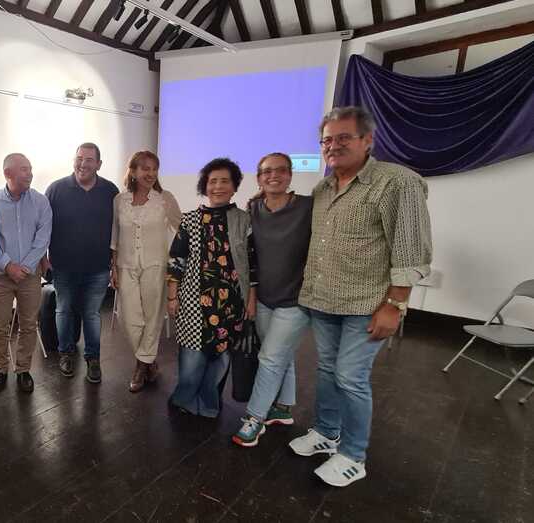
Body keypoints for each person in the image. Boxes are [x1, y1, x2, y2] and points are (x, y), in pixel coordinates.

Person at [289, 106, 432, 487]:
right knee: (326, 370)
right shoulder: (322, 189)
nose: (332, 146)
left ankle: (354, 455)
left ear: (368, 140)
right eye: (327, 140)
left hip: (368, 305)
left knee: (351, 377)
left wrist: (395, 305)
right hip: (324, 300)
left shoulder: (397, 183)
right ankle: (326, 432)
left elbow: (411, 252)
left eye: (343, 138)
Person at [232, 153, 313, 447]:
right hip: (264, 297)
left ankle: (254, 417)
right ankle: (283, 407)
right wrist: (251, 295)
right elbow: (249, 256)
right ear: (259, 178)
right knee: (279, 354)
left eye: (280, 170)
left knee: (269, 358)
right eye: (267, 171)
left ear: (290, 175)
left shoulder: (308, 206)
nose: (273, 176)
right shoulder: (253, 208)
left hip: (296, 299)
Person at [166, 158, 257, 418]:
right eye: (212, 181)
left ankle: (209, 404)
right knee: (192, 360)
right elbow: (176, 260)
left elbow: (252, 264)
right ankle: (183, 399)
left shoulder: (244, 220)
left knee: (220, 360)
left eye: (225, 181)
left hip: (231, 303)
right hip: (194, 301)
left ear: (234, 186)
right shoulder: (190, 220)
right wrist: (172, 297)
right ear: (204, 186)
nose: (218, 186)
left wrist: (251, 300)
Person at [45, 143, 119, 384]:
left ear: (99, 164)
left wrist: (115, 263)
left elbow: (117, 230)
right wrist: (43, 259)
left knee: (92, 314)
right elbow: (43, 227)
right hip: (63, 266)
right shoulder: (56, 189)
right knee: (63, 310)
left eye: (89, 160)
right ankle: (65, 353)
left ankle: (93, 358)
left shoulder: (110, 191)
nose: (83, 164)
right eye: (79, 158)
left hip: (98, 267)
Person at [110, 151, 181, 393]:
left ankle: (141, 366)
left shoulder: (165, 199)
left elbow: (182, 229)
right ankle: (150, 362)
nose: (150, 173)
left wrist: (179, 262)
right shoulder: (120, 200)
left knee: (152, 318)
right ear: (133, 171)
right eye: (145, 168)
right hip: (126, 265)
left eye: (154, 169)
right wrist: (113, 266)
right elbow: (115, 235)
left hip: (156, 266)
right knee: (128, 319)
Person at [0, 153, 52, 394]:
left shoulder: (41, 202)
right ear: (8, 173)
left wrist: (24, 267)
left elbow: (43, 238)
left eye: (30, 168)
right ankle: (0, 370)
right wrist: (7, 266)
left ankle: (23, 370)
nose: (30, 173)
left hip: (30, 276)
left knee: (28, 324)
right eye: (24, 169)